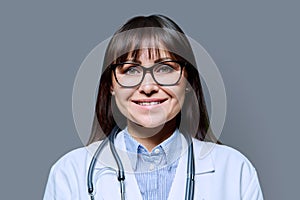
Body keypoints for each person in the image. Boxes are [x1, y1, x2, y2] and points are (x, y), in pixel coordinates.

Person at [43, 15, 264, 200]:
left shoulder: (235, 171)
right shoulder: (69, 173)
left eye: (165, 69)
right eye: (130, 70)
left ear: (187, 82)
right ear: (111, 85)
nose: (148, 86)